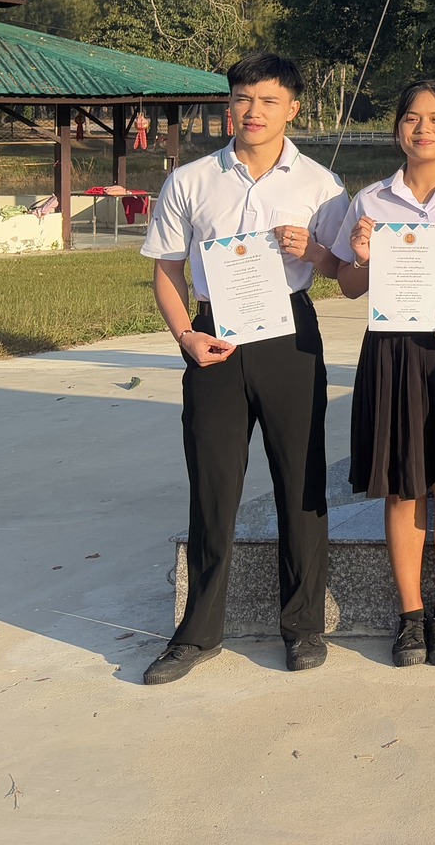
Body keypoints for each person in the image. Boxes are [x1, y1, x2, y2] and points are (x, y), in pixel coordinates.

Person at [140, 53, 348, 685]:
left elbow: (344, 272)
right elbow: (167, 269)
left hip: (290, 337)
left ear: (293, 108)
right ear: (228, 105)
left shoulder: (321, 185)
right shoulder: (191, 180)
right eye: (241, 98)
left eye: (267, 100)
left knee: (300, 482)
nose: (252, 111)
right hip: (215, 340)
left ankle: (303, 625)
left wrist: (314, 250)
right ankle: (198, 631)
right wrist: (186, 336)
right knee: (213, 482)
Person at [329, 80, 435, 669]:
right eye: (411, 118)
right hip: (393, 346)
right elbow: (349, 286)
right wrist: (361, 255)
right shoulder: (372, 199)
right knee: (404, 484)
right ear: (397, 129)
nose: (423, 129)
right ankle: (409, 613)